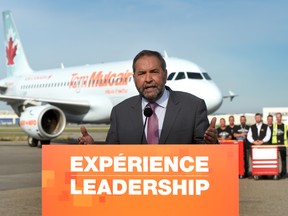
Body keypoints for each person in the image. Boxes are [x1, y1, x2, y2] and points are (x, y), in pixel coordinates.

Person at [79, 50, 218, 144]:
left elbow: (207, 156)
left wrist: (212, 144)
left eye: (154, 72)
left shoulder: (192, 107)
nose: (148, 79)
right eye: (141, 74)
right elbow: (112, 157)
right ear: (134, 78)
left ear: (165, 74)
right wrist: (93, 151)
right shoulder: (120, 112)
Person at [271, 112, 288, 178]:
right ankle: (275, 173)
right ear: (276, 118)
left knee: (283, 160)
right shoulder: (273, 126)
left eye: (279, 117)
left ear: (281, 117)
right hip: (275, 145)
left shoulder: (285, 126)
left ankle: (284, 173)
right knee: (275, 160)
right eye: (277, 117)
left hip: (283, 145)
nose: (278, 118)